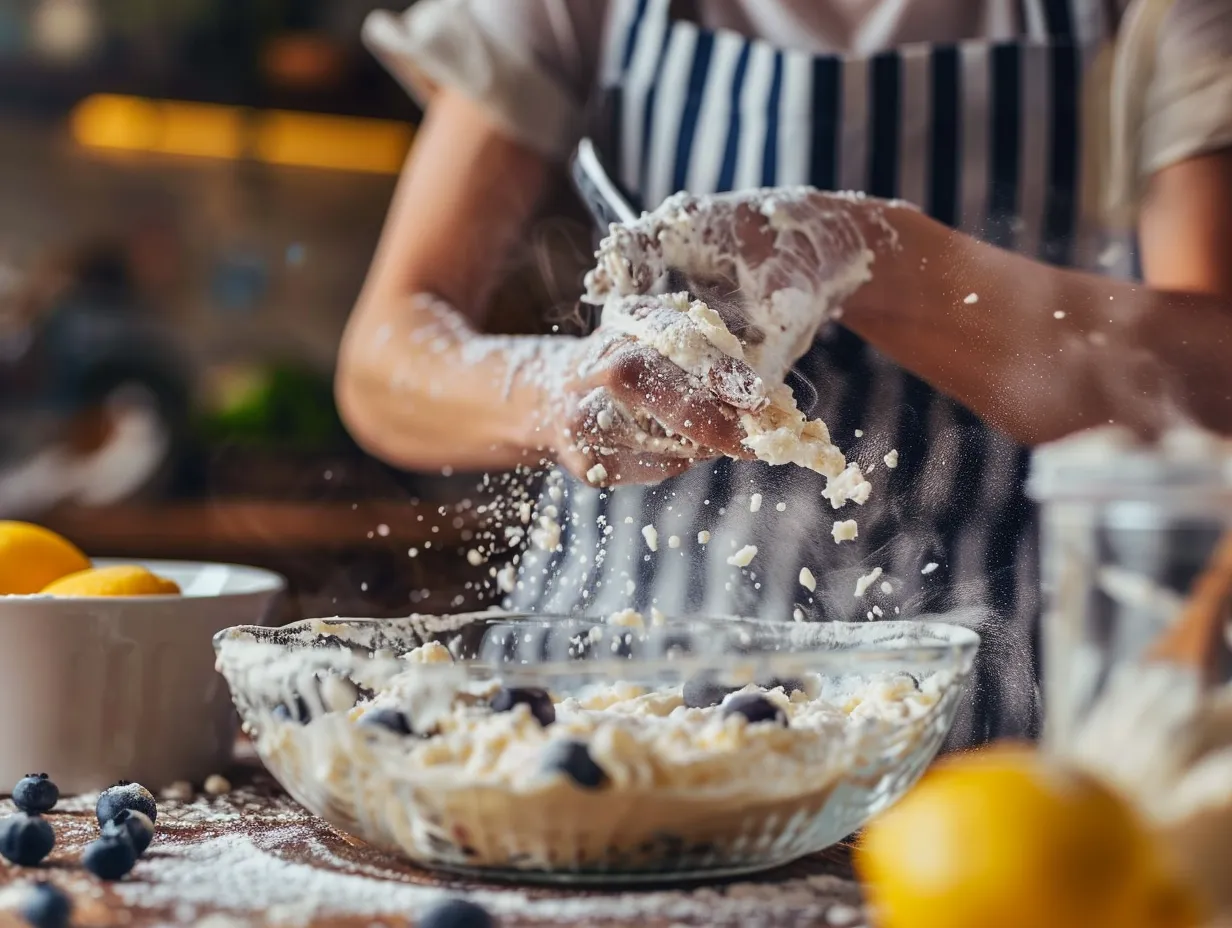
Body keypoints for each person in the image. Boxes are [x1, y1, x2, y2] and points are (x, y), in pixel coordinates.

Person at [335, 0, 1232, 743]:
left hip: (986, 730)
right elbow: (384, 361)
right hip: (601, 714)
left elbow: (1213, 382)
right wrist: (558, 391)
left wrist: (868, 256)